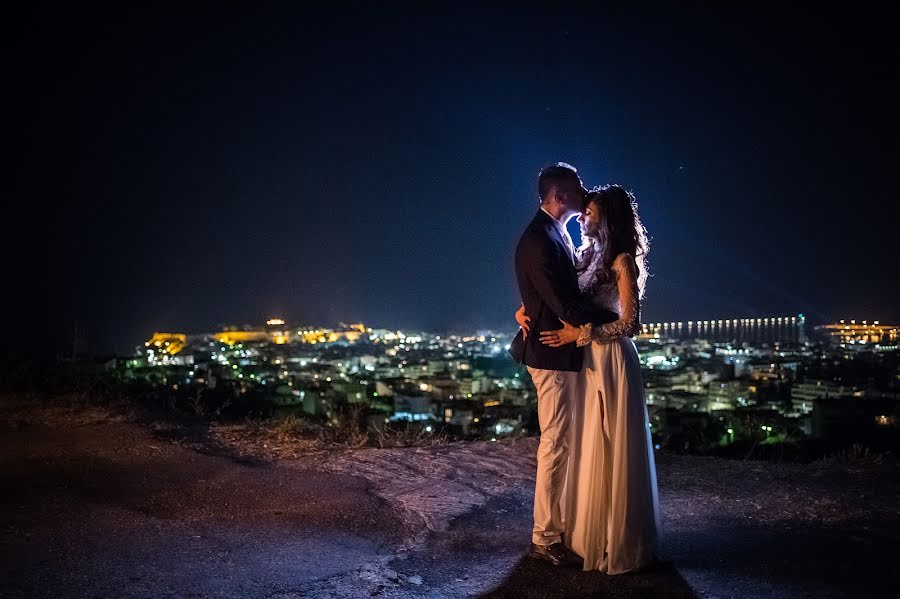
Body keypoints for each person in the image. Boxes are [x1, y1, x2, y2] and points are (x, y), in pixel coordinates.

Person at [517, 184, 662, 573]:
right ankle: (584, 531)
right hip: (585, 358)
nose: (584, 216)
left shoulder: (622, 261)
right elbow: (556, 291)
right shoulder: (586, 255)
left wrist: (580, 335)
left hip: (610, 358)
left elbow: (630, 322)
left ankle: (614, 537)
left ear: (608, 218)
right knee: (589, 442)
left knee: (610, 443)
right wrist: (525, 309)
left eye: (592, 212)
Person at [509, 164, 618, 567]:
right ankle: (544, 536)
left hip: (562, 352)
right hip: (552, 354)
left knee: (565, 441)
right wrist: (619, 320)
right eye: (577, 188)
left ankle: (560, 525)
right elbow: (564, 305)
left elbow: (549, 296)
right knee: (555, 443)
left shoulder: (553, 234)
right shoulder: (540, 240)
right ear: (560, 195)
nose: (584, 192)